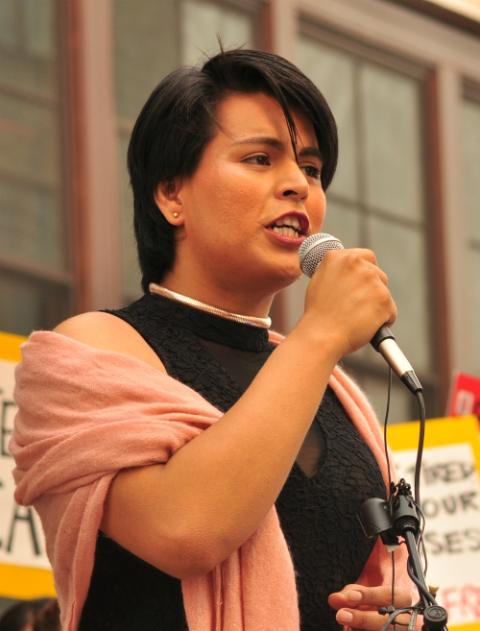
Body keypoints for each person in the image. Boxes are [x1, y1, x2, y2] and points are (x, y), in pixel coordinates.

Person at [11, 49, 414, 630]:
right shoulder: (92, 350)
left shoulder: (338, 395)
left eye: (312, 169)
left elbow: (382, 586)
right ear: (170, 194)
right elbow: (186, 528)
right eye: (259, 158)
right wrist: (320, 334)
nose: (297, 187)